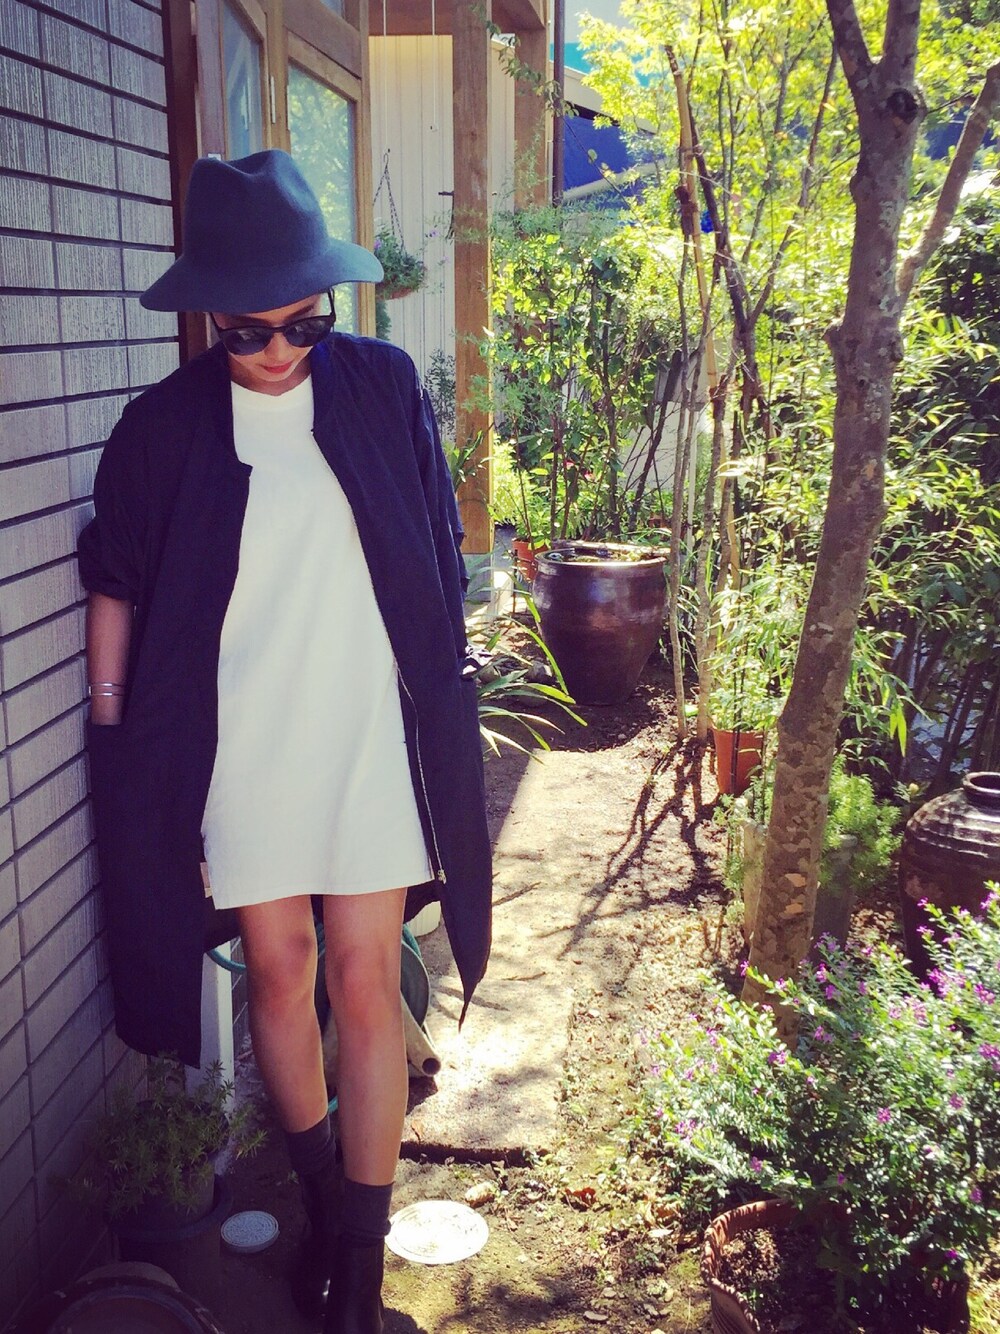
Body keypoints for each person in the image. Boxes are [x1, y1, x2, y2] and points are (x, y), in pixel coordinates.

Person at [78, 150, 492, 1334]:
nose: (277, 351)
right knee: (279, 968)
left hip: (364, 726)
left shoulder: (381, 384)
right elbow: (116, 577)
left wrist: (444, 692)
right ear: (210, 312)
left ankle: (359, 1262)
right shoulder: (161, 427)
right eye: (248, 331)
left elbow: (433, 545)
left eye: (305, 324)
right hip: (240, 742)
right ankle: (319, 1199)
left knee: (365, 977)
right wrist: (117, 732)